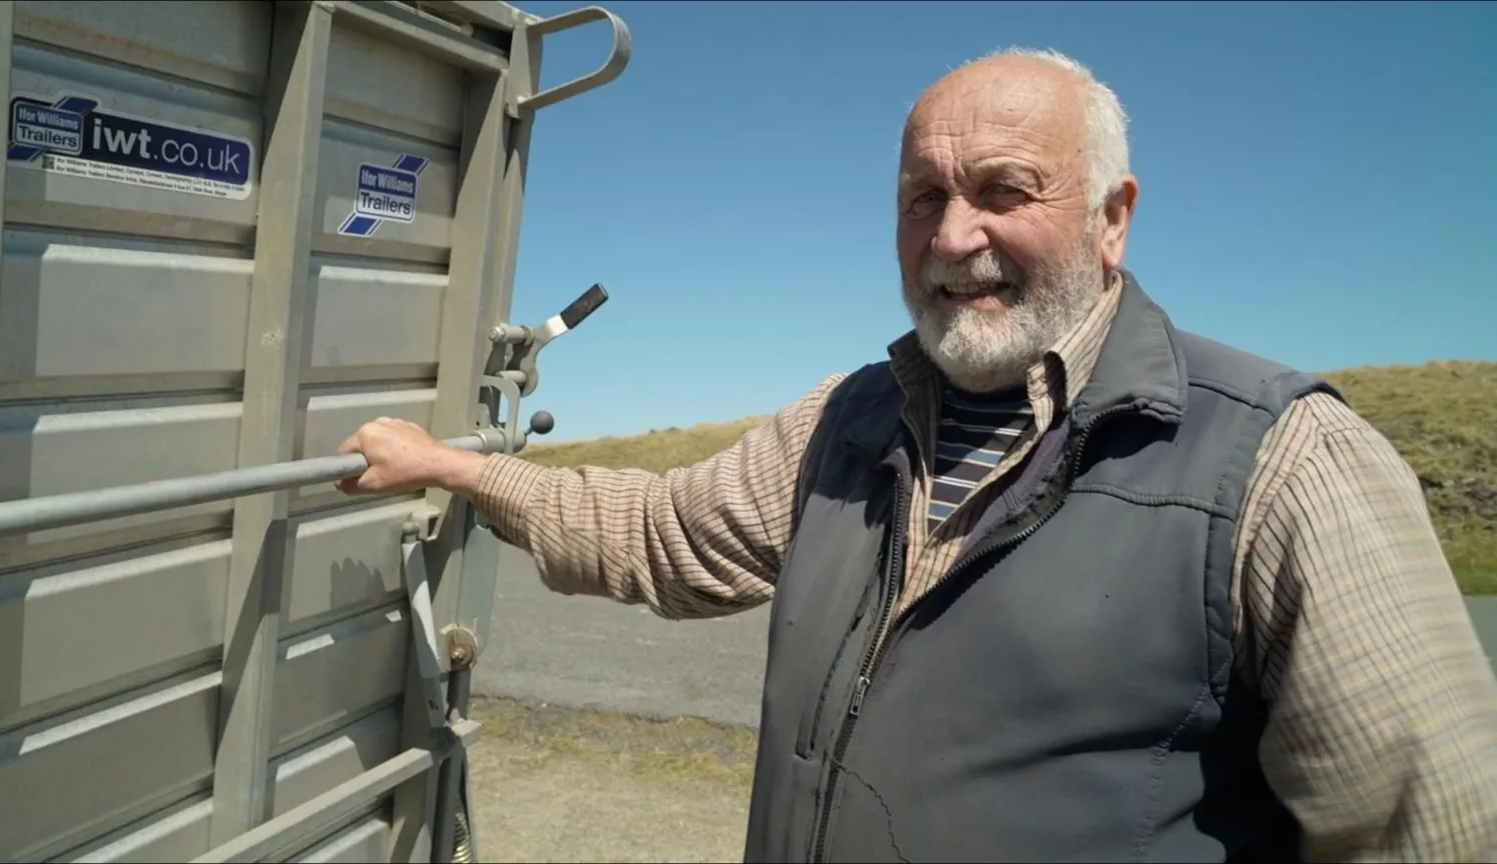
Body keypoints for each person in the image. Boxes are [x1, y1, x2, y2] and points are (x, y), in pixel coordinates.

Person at [336, 48, 1497, 863]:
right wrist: (462, 470)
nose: (952, 236)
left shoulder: (1284, 458)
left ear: (1113, 216)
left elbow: (1427, 829)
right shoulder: (847, 423)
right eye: (922, 197)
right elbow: (663, 533)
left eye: (1004, 192)